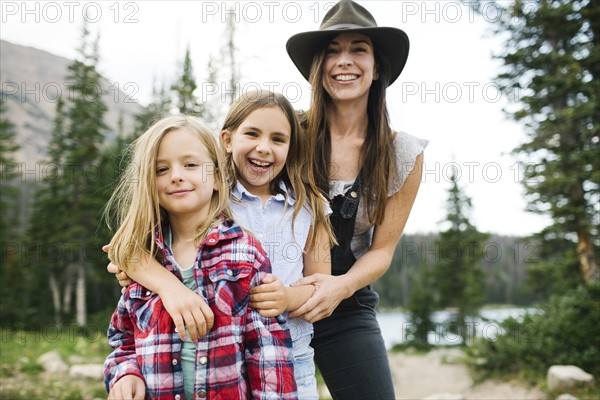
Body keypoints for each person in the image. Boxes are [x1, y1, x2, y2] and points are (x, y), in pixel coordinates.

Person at [106, 91, 335, 399]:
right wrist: (166, 288)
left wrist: (284, 297)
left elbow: (320, 286)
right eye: (252, 133)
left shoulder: (303, 209)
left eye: (278, 139)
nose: (264, 147)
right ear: (227, 139)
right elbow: (127, 257)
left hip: (287, 359)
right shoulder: (214, 201)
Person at [283, 0, 428, 398]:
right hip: (269, 297)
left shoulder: (402, 154)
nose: (344, 61)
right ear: (318, 66)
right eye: (332, 50)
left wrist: (339, 287)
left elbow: (382, 251)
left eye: (358, 48)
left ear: (377, 66)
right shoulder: (286, 132)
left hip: (344, 304)